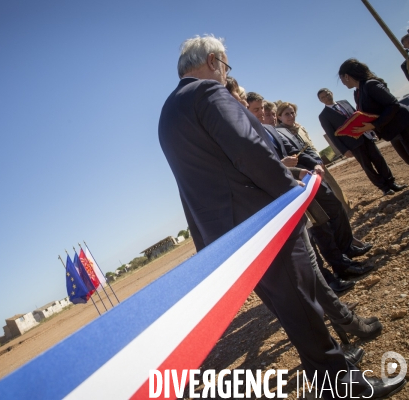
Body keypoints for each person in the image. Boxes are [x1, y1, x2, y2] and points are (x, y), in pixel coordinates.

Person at [158, 35, 405, 398]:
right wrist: (292, 196)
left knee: (293, 308)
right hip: (263, 222)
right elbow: (250, 151)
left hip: (230, 235)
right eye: (226, 67)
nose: (227, 76)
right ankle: (346, 387)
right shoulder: (208, 94)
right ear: (213, 61)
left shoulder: (168, 114)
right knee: (302, 307)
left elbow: (212, 176)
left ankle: (331, 374)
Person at [248, 93, 373, 288]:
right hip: (285, 195)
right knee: (311, 242)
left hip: (302, 184)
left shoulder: (268, 130)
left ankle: (341, 266)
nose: (263, 113)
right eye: (257, 110)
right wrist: (284, 166)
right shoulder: (249, 136)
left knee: (322, 227)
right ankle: (328, 282)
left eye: (263, 108)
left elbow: (294, 150)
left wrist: (309, 165)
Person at [317, 88, 405, 196]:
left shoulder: (344, 102)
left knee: (379, 160)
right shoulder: (324, 116)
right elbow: (332, 135)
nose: (327, 97)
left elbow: (359, 116)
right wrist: (344, 150)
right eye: (323, 97)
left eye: (327, 94)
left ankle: (392, 183)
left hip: (365, 136)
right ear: (321, 101)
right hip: (353, 144)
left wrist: (372, 131)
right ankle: (384, 188)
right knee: (367, 166)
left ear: (332, 93)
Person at [276, 102, 353, 216]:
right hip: (304, 168)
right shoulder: (279, 133)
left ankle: (346, 207)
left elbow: (309, 144)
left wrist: (317, 159)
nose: (291, 116)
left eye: (292, 113)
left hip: (316, 161)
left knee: (332, 184)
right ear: (279, 116)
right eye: (287, 114)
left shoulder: (299, 127)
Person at [339, 58, 409, 170]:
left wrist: (374, 124)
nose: (342, 82)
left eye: (341, 78)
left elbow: (393, 104)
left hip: (403, 126)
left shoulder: (370, 85)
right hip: (392, 131)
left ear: (346, 76)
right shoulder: (358, 92)